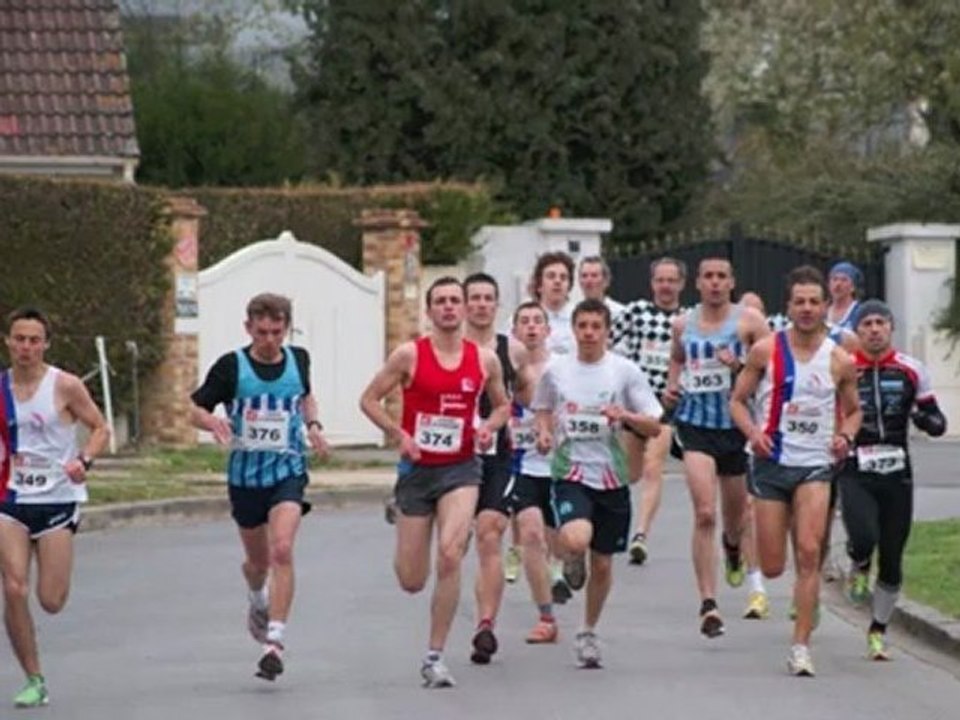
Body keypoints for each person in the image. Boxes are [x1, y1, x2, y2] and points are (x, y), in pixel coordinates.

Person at [359, 277, 510, 688]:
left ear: (463, 309)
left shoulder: (483, 360)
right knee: (412, 579)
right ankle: (400, 516)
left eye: (454, 301)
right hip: (416, 471)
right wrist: (399, 435)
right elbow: (369, 399)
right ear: (429, 311)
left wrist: (487, 428)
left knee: (450, 554)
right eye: (440, 301)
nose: (448, 308)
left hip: (461, 468)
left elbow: (502, 406)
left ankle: (434, 655)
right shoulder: (409, 354)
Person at [190, 293, 331, 682]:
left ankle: (275, 641)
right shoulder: (231, 367)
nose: (270, 339)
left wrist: (314, 426)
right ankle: (257, 599)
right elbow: (195, 408)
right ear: (248, 328)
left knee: (282, 548)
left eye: (277, 331)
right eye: (262, 331)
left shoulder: (298, 359)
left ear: (287, 328)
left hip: (288, 468)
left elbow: (305, 397)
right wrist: (213, 424)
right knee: (258, 564)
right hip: (246, 477)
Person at [730, 266, 862, 677]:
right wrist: (753, 432)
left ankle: (801, 646)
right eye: (799, 301)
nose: (807, 309)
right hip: (771, 465)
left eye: (814, 302)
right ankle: (752, 554)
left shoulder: (840, 359)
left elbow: (854, 411)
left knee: (808, 552)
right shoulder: (766, 350)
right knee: (772, 565)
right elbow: (737, 401)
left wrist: (845, 436)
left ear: (826, 306)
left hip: (815, 467)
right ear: (788, 306)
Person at [534, 299, 662, 668]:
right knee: (576, 537)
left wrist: (626, 416)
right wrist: (544, 432)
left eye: (596, 326)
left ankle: (587, 631)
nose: (589, 333)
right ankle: (572, 555)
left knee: (603, 565)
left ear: (607, 331)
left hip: (612, 477)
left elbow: (654, 425)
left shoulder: (624, 372)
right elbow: (542, 408)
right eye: (583, 326)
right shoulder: (557, 371)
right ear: (573, 330)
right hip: (571, 472)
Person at [0, 307, 110, 708]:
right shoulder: (0, 389)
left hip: (57, 500)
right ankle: (34, 677)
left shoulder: (64, 385)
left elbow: (100, 427)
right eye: (19, 339)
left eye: (34, 340)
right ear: (8, 342)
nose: (26, 347)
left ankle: (32, 631)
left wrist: (84, 461)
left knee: (50, 600)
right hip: (9, 499)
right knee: (13, 587)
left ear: (45, 344)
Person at [663, 257, 770, 639]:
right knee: (705, 512)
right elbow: (677, 360)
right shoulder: (683, 324)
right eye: (707, 276)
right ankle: (708, 603)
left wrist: (739, 365)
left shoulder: (750, 323)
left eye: (721, 276)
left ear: (731, 282)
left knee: (736, 518)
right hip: (694, 426)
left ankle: (733, 548)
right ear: (697, 283)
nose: (714, 283)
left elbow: (769, 370)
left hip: (735, 428)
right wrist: (671, 388)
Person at [839, 299, 946, 660]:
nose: (873, 329)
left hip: (897, 470)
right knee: (864, 534)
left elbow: (937, 420)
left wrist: (925, 420)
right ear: (857, 331)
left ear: (890, 328)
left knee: (894, 555)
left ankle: (878, 630)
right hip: (856, 466)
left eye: (879, 323)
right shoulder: (843, 367)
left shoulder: (911, 370)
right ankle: (858, 560)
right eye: (866, 323)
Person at [461, 272, 533, 665]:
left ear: (497, 304)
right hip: (453, 459)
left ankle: (485, 625)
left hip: (497, 456)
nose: (481, 305)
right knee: (454, 546)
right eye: (474, 298)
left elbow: (523, 391)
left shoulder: (513, 350)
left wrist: (500, 423)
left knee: (490, 535)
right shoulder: (448, 347)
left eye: (488, 298)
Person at [611, 256, 686, 566]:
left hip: (664, 406)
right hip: (634, 405)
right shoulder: (636, 313)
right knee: (629, 474)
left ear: (681, 284)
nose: (666, 286)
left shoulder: (687, 320)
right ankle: (614, 522)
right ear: (652, 283)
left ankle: (640, 535)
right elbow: (605, 341)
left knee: (655, 466)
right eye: (660, 280)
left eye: (671, 280)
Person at [508, 301, 561, 643]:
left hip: (561, 466)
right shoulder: (504, 370)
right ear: (514, 331)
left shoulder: (561, 369)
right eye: (524, 322)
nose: (530, 327)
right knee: (530, 535)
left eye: (536, 321)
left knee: (565, 544)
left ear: (547, 330)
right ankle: (546, 616)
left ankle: (566, 566)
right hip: (523, 462)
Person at [529, 251, 576, 356]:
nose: (557, 281)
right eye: (551, 276)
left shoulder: (580, 317)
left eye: (563, 277)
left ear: (569, 286)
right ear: (539, 285)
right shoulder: (523, 318)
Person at [578, 255, 625, 320]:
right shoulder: (574, 314)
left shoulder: (620, 314)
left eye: (594, 275)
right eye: (584, 276)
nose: (588, 280)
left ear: (606, 281)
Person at [826, 261, 863, 331]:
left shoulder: (859, 313)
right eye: (834, 279)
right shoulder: (822, 312)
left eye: (844, 280)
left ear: (853, 287)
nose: (838, 284)